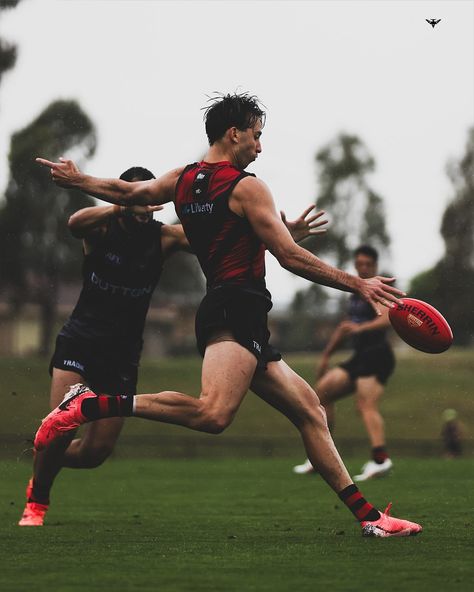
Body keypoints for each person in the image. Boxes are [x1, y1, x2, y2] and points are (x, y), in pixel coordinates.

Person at [34, 93, 421, 537]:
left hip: (239, 312)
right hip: (234, 309)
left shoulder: (183, 179)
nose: (260, 146)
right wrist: (358, 283)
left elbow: (129, 193)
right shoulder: (247, 186)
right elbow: (290, 258)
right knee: (213, 415)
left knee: (311, 410)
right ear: (233, 133)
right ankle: (91, 404)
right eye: (256, 136)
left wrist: (77, 178)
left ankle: (371, 520)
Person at [19, 164, 326, 527]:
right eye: (137, 198)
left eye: (147, 201)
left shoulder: (163, 237)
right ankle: (37, 500)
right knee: (62, 428)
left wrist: (280, 236)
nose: (144, 207)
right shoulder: (101, 227)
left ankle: (45, 457)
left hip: (123, 351)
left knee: (95, 453)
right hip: (81, 340)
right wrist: (121, 205)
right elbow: (74, 222)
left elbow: (219, 237)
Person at [293, 245, 396, 480]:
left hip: (377, 355)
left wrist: (359, 328)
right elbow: (344, 329)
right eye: (359, 264)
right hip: (359, 356)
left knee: (365, 405)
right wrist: (326, 356)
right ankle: (322, 456)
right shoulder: (355, 295)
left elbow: (388, 318)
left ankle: (381, 460)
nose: (363, 268)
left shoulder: (379, 290)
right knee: (322, 394)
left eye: (368, 264)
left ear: (375, 266)